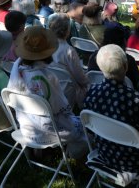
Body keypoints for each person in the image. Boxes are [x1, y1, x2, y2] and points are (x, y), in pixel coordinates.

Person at [83, 44, 139, 176]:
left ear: (100, 68)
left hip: (105, 154)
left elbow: (90, 128)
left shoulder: (91, 93)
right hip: (138, 162)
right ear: (125, 67)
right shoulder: (137, 100)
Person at [7, 26, 87, 159]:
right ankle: (70, 155)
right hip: (50, 130)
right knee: (86, 129)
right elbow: (61, 108)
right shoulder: (47, 77)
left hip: (26, 128)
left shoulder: (17, 73)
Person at [48, 13, 90, 108]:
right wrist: (88, 82)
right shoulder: (68, 50)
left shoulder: (46, 47)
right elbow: (80, 78)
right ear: (67, 31)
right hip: (67, 90)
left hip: (51, 87)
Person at [87, 26, 139, 90]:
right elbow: (137, 84)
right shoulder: (128, 60)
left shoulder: (93, 57)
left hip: (99, 92)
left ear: (104, 40)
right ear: (123, 42)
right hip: (124, 96)